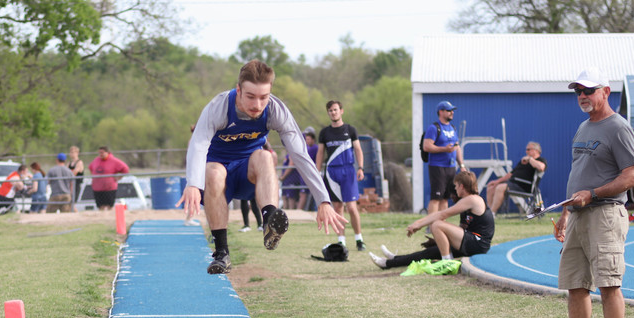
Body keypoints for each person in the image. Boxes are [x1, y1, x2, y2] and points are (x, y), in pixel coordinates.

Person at [179, 59, 346, 274]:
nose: (257, 105)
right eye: (250, 97)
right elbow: (198, 145)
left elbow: (300, 155)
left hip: (248, 174)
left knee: (266, 157)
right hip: (218, 179)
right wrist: (192, 183)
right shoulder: (219, 107)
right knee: (213, 171)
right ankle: (222, 253)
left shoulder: (276, 110)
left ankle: (269, 218)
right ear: (238, 90)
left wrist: (323, 199)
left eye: (263, 97)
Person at [544, 68, 634, 318]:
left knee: (608, 284)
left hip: (605, 214)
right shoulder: (583, 127)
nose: (583, 96)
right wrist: (565, 213)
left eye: (588, 90)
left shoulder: (618, 128)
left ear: (605, 91)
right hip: (578, 215)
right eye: (578, 92)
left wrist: (593, 194)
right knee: (575, 285)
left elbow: (631, 176)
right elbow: (579, 175)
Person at [369, 170, 493, 269]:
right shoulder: (466, 202)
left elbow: (442, 215)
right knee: (429, 252)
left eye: (456, 186)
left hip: (478, 243)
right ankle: (391, 261)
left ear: (461, 186)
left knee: (437, 224)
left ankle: (447, 263)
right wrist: (441, 240)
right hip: (472, 242)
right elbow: (462, 230)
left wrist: (418, 224)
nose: (455, 189)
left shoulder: (472, 199)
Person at [316, 100, 367, 251]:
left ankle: (359, 239)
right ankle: (341, 240)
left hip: (348, 171)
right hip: (332, 172)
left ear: (341, 111)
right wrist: (317, 172)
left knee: (351, 207)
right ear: (328, 113)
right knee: (337, 207)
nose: (333, 112)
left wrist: (361, 168)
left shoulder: (350, 130)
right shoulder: (324, 133)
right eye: (330, 110)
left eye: (335, 110)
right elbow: (320, 152)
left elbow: (358, 149)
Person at [422, 101, 466, 215]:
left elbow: (457, 147)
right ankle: (431, 224)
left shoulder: (452, 128)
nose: (452, 113)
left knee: (445, 198)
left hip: (450, 167)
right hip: (437, 166)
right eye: (448, 110)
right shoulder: (434, 128)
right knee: (436, 197)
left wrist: (461, 165)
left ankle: (441, 224)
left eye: (452, 111)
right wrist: (444, 149)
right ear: (441, 112)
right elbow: (426, 146)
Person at [485, 142, 548, 213]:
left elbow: (541, 167)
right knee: (491, 187)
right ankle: (489, 213)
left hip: (524, 186)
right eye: (526, 150)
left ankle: (492, 213)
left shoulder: (541, 160)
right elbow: (510, 174)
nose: (526, 151)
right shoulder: (523, 162)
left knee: (500, 187)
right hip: (513, 183)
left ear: (536, 150)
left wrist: (530, 159)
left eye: (528, 149)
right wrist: (497, 182)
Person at [88, 146, 130, 210]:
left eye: (102, 152)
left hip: (109, 188)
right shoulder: (96, 160)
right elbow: (90, 168)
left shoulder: (113, 161)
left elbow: (125, 169)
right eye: (99, 153)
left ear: (107, 152)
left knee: (109, 206)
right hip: (97, 188)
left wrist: (119, 177)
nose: (100, 154)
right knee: (100, 206)